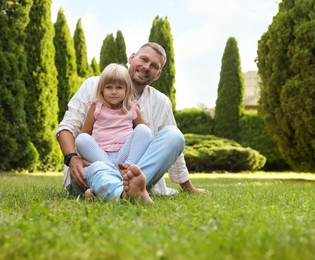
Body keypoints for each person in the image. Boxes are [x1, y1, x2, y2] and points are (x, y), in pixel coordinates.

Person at [56, 42, 208, 205]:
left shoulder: (161, 101)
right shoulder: (93, 85)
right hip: (93, 168)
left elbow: (172, 149)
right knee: (96, 165)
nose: (146, 67)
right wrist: (72, 158)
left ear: (157, 74)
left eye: (154, 66)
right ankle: (124, 191)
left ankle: (122, 189)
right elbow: (66, 128)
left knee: (174, 135)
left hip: (132, 167)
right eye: (144, 59)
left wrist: (188, 187)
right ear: (132, 58)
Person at [75, 63, 152, 198]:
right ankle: (113, 173)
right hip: (100, 155)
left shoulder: (132, 108)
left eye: (119, 87)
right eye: (109, 87)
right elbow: (85, 134)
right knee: (81, 139)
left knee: (144, 130)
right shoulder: (96, 107)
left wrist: (128, 162)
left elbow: (142, 136)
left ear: (127, 89)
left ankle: (128, 169)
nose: (114, 91)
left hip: (123, 156)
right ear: (102, 89)